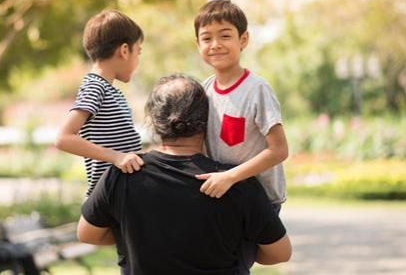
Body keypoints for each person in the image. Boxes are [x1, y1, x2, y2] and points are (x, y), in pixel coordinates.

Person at [77, 74, 292, 275]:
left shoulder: (123, 173)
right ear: (207, 121)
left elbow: (87, 233)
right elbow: (280, 253)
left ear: (154, 120)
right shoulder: (234, 182)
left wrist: (135, 239)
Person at [193, 0, 290, 274]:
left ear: (243, 39)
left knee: (237, 264)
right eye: (207, 38)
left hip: (259, 198)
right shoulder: (204, 90)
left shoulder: (257, 89)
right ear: (197, 45)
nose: (216, 44)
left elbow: (279, 150)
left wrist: (231, 177)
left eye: (225, 35)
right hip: (222, 195)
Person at [54, 9, 145, 272]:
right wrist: (117, 157)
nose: (138, 60)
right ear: (124, 50)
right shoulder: (96, 86)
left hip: (125, 190)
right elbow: (63, 138)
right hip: (113, 192)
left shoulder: (110, 90)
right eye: (139, 52)